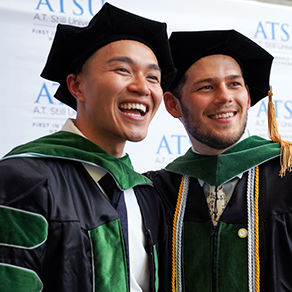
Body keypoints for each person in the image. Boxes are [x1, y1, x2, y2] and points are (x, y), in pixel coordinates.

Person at [0, 3, 176, 292]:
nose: (142, 87)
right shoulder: (22, 180)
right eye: (123, 69)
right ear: (77, 86)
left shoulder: (144, 193)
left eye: (153, 77)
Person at [146, 29, 292, 292]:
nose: (225, 97)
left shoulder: (287, 176)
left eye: (234, 84)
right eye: (207, 87)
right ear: (172, 104)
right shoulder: (156, 192)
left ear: (247, 96)